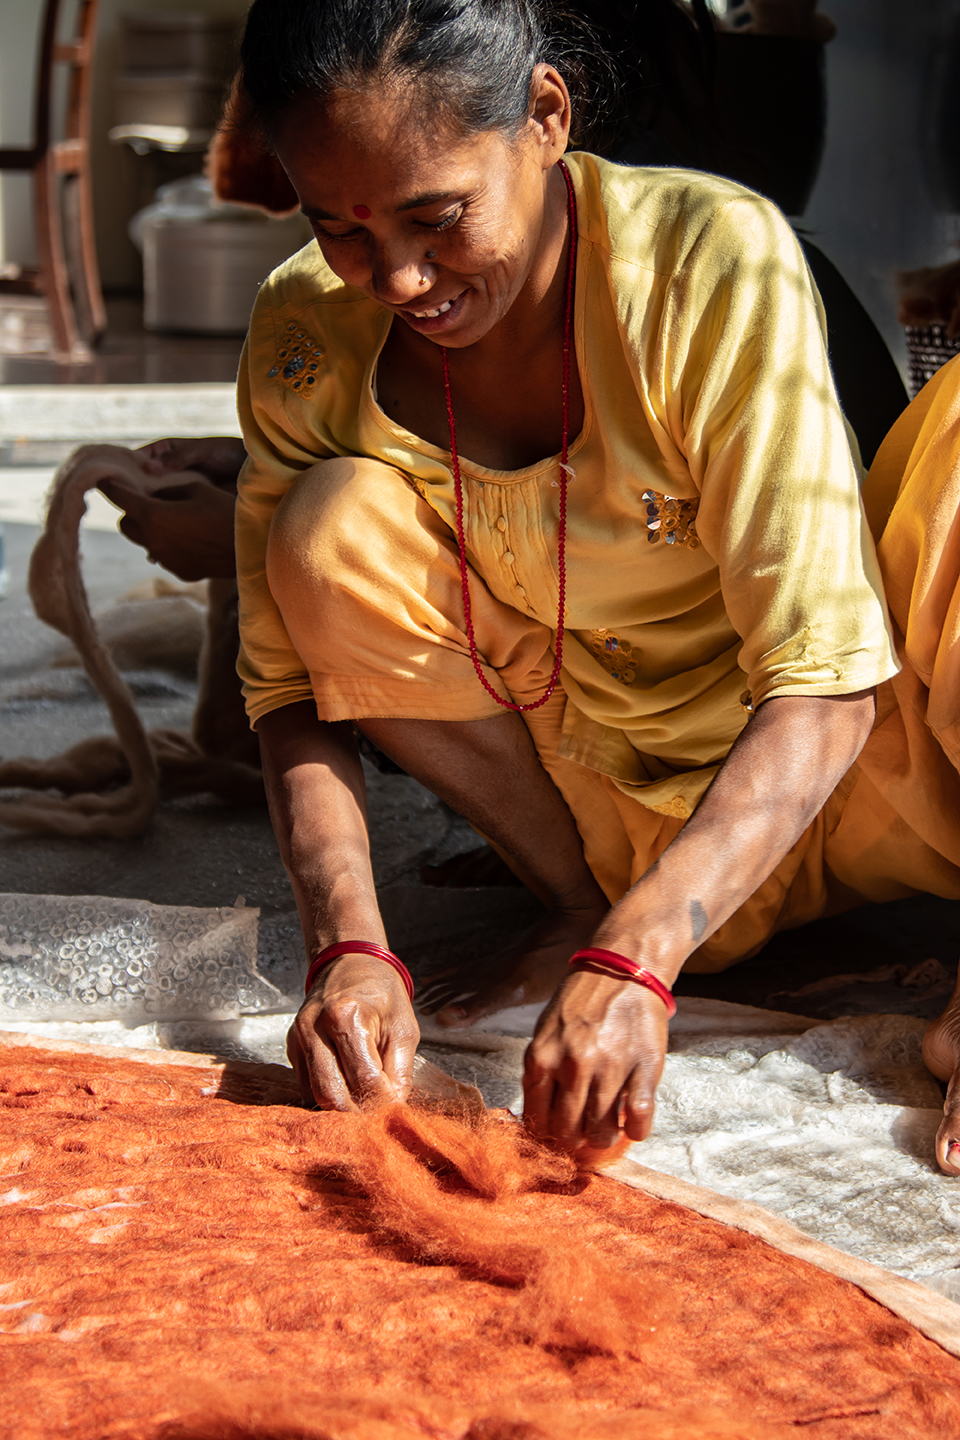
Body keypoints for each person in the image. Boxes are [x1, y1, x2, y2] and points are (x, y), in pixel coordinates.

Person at [126, 0, 960, 1174]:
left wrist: (637, 960)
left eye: (438, 217)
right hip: (594, 816)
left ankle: (630, 928)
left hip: (862, 781)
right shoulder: (307, 330)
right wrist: (349, 948)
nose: (401, 277)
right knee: (327, 527)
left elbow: (826, 683)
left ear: (548, 117)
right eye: (341, 230)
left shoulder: (703, 255)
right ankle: (575, 900)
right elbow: (288, 692)